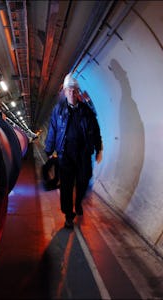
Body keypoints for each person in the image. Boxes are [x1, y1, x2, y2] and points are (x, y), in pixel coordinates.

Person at [44, 73, 103, 228]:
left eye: (74, 90)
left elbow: (95, 130)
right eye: (69, 90)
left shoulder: (86, 111)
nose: (71, 93)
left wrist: (99, 148)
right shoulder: (58, 110)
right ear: (64, 91)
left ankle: (78, 202)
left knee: (84, 180)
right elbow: (53, 130)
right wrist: (49, 149)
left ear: (78, 92)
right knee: (66, 186)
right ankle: (68, 214)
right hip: (65, 153)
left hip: (83, 153)